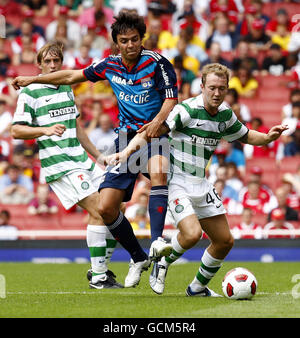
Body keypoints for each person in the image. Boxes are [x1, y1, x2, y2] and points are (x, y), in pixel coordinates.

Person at [12, 12, 177, 288]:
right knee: (106, 206)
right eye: (124, 40)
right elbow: (74, 75)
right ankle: (137, 258)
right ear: (116, 43)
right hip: (124, 139)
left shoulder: (157, 63)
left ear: (141, 39)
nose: (130, 45)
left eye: (134, 39)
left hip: (153, 134)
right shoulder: (109, 64)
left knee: (159, 172)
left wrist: (156, 124)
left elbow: (171, 100)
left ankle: (156, 245)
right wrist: (32, 80)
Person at [106, 63, 288, 295]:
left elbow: (246, 135)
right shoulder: (187, 111)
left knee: (224, 241)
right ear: (202, 87)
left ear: (227, 89)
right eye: (212, 87)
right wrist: (126, 152)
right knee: (192, 234)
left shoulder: (225, 115)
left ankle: (197, 288)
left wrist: (268, 137)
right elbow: (152, 130)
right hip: (175, 181)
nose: (216, 93)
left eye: (221, 88)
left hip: (200, 183)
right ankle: (162, 263)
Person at [11, 41, 123, 290]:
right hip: (60, 164)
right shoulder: (30, 92)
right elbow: (16, 130)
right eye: (47, 61)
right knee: (98, 210)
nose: (52, 65)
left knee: (116, 206)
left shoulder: (66, 87)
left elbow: (77, 128)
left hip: (82, 160)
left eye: (56, 61)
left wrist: (98, 156)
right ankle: (98, 277)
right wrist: (45, 129)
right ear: (39, 64)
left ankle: (99, 267)